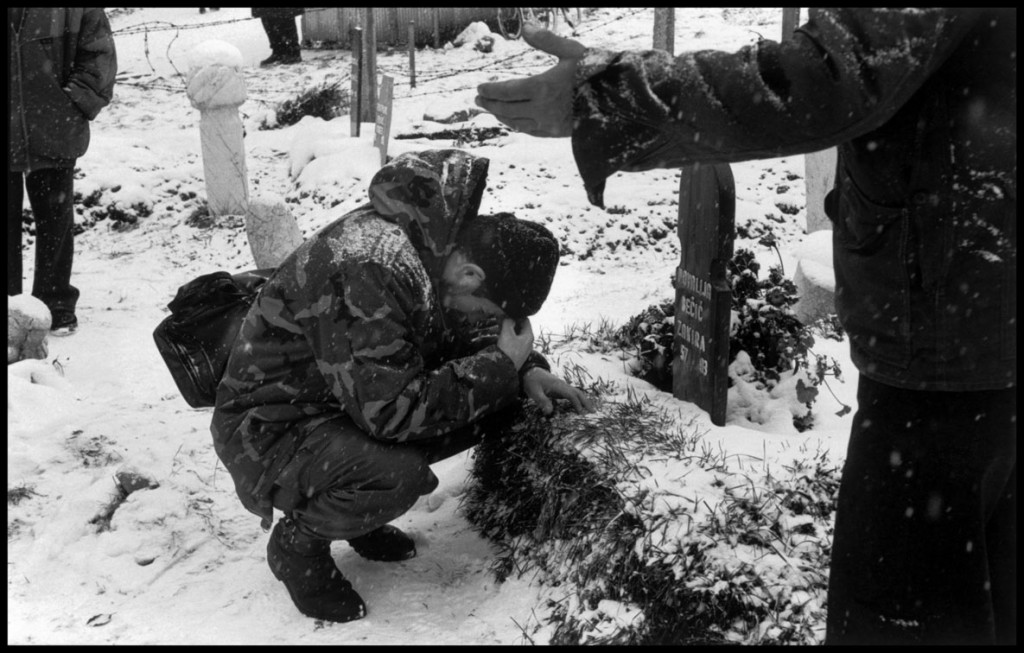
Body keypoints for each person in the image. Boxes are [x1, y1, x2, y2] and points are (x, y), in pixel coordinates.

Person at [475, 9, 1015, 646]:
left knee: (900, 614)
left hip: (946, 332)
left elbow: (832, 77)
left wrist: (615, 98)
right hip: (978, 308)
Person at [211, 149, 594, 623]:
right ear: (471, 275)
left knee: (496, 399)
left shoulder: (432, 247)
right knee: (398, 474)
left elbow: (447, 331)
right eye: (486, 314)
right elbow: (392, 413)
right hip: (269, 429)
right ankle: (299, 547)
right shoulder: (370, 268)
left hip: (335, 403)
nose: (480, 323)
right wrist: (498, 365)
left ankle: (356, 513)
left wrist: (523, 370)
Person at [8, 7, 117, 336]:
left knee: (55, 220)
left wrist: (73, 103)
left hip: (53, 127)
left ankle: (55, 303)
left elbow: (98, 52)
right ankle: (10, 307)